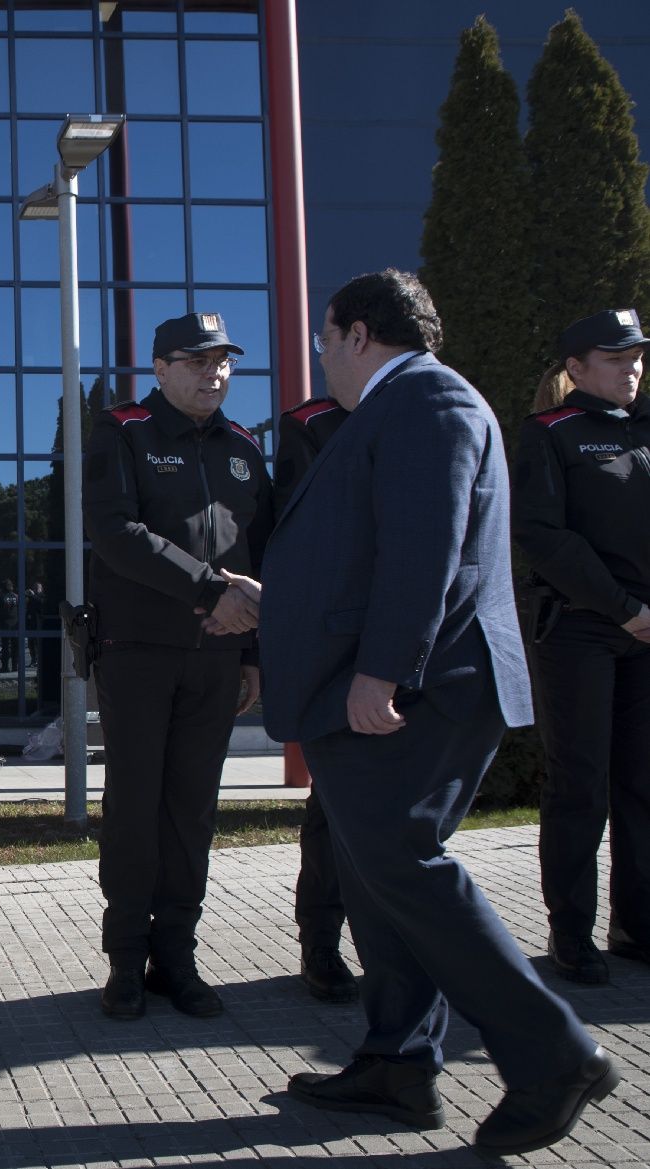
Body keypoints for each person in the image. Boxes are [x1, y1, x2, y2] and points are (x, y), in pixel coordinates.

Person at [262, 270, 617, 1156]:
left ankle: (553, 1054)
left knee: (405, 863)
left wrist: (381, 672)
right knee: (378, 872)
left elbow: (426, 549)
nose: (322, 359)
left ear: (353, 333)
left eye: (323, 340)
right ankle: (397, 1062)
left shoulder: (428, 401)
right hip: (388, 687)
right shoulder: (401, 407)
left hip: (420, 690)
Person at [82, 311, 271, 1021]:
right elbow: (115, 533)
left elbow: (259, 551)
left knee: (192, 810)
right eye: (196, 361)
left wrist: (251, 649)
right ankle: (126, 960)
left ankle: (177, 957)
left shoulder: (245, 448)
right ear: (160, 368)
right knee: (135, 807)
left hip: (218, 660)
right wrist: (209, 589)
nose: (212, 374)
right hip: (138, 653)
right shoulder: (123, 431)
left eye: (222, 362)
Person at [514, 307, 650, 985]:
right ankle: (572, 932)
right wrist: (624, 608)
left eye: (636, 357)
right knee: (579, 786)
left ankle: (636, 924)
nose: (631, 368)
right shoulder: (551, 436)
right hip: (581, 629)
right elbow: (542, 536)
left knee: (642, 782)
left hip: (648, 631)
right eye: (616, 358)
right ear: (576, 369)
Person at [271, 399, 358, 1004]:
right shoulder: (312, 426)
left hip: (422, 638)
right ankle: (321, 944)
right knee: (334, 809)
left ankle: (399, 946)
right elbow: (305, 534)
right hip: (345, 643)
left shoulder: (429, 411)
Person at [0, 579, 20, 673]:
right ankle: (15, 666)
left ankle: (5, 667)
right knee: (15, 646)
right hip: (16, 624)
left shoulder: (0, 597)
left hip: (5, 624)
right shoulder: (17, 597)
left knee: (5, 646)